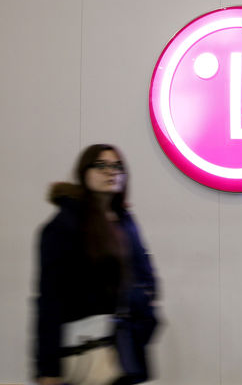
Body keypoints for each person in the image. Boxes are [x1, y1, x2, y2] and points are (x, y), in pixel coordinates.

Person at [34, 144, 159, 385]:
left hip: (123, 351)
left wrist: (145, 320)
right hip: (85, 352)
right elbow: (49, 301)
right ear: (84, 172)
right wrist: (47, 368)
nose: (110, 172)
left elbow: (145, 278)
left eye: (117, 166)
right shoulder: (63, 227)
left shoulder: (124, 222)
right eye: (101, 165)